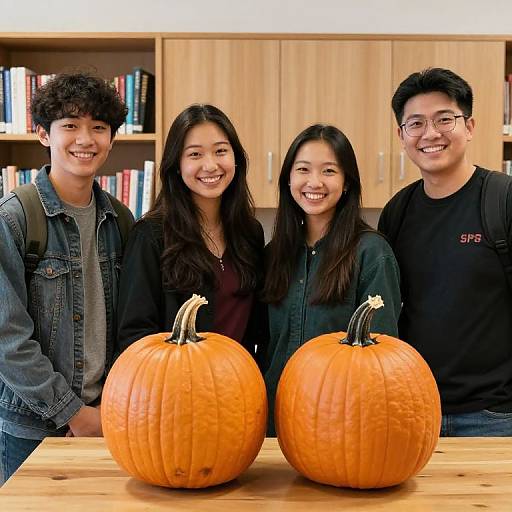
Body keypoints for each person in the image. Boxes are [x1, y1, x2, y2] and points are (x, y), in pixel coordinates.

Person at [0, 72, 133, 483]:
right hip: (33, 427)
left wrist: (103, 413)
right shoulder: (15, 216)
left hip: (106, 418)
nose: (85, 139)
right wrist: (71, 412)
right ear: (43, 134)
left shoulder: (121, 220)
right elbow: (7, 337)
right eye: (70, 126)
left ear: (111, 139)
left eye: (98, 127)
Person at [378, 67, 512, 436]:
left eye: (444, 119)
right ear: (401, 135)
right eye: (415, 123)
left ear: (469, 126)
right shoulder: (397, 211)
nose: (430, 134)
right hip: (414, 407)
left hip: (495, 416)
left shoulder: (502, 199)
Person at [263, 124, 401, 435]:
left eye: (328, 171)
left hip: (339, 421)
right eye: (303, 170)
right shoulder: (275, 254)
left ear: (347, 183)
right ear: (288, 179)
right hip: (273, 417)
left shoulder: (371, 253)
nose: (314, 182)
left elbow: (383, 354)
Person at [116, 104, 267, 368]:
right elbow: (134, 336)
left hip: (239, 388)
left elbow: (256, 330)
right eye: (195, 154)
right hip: (176, 391)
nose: (210, 165)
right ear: (176, 164)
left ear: (236, 159)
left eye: (221, 151)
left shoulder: (250, 233)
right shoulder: (151, 236)